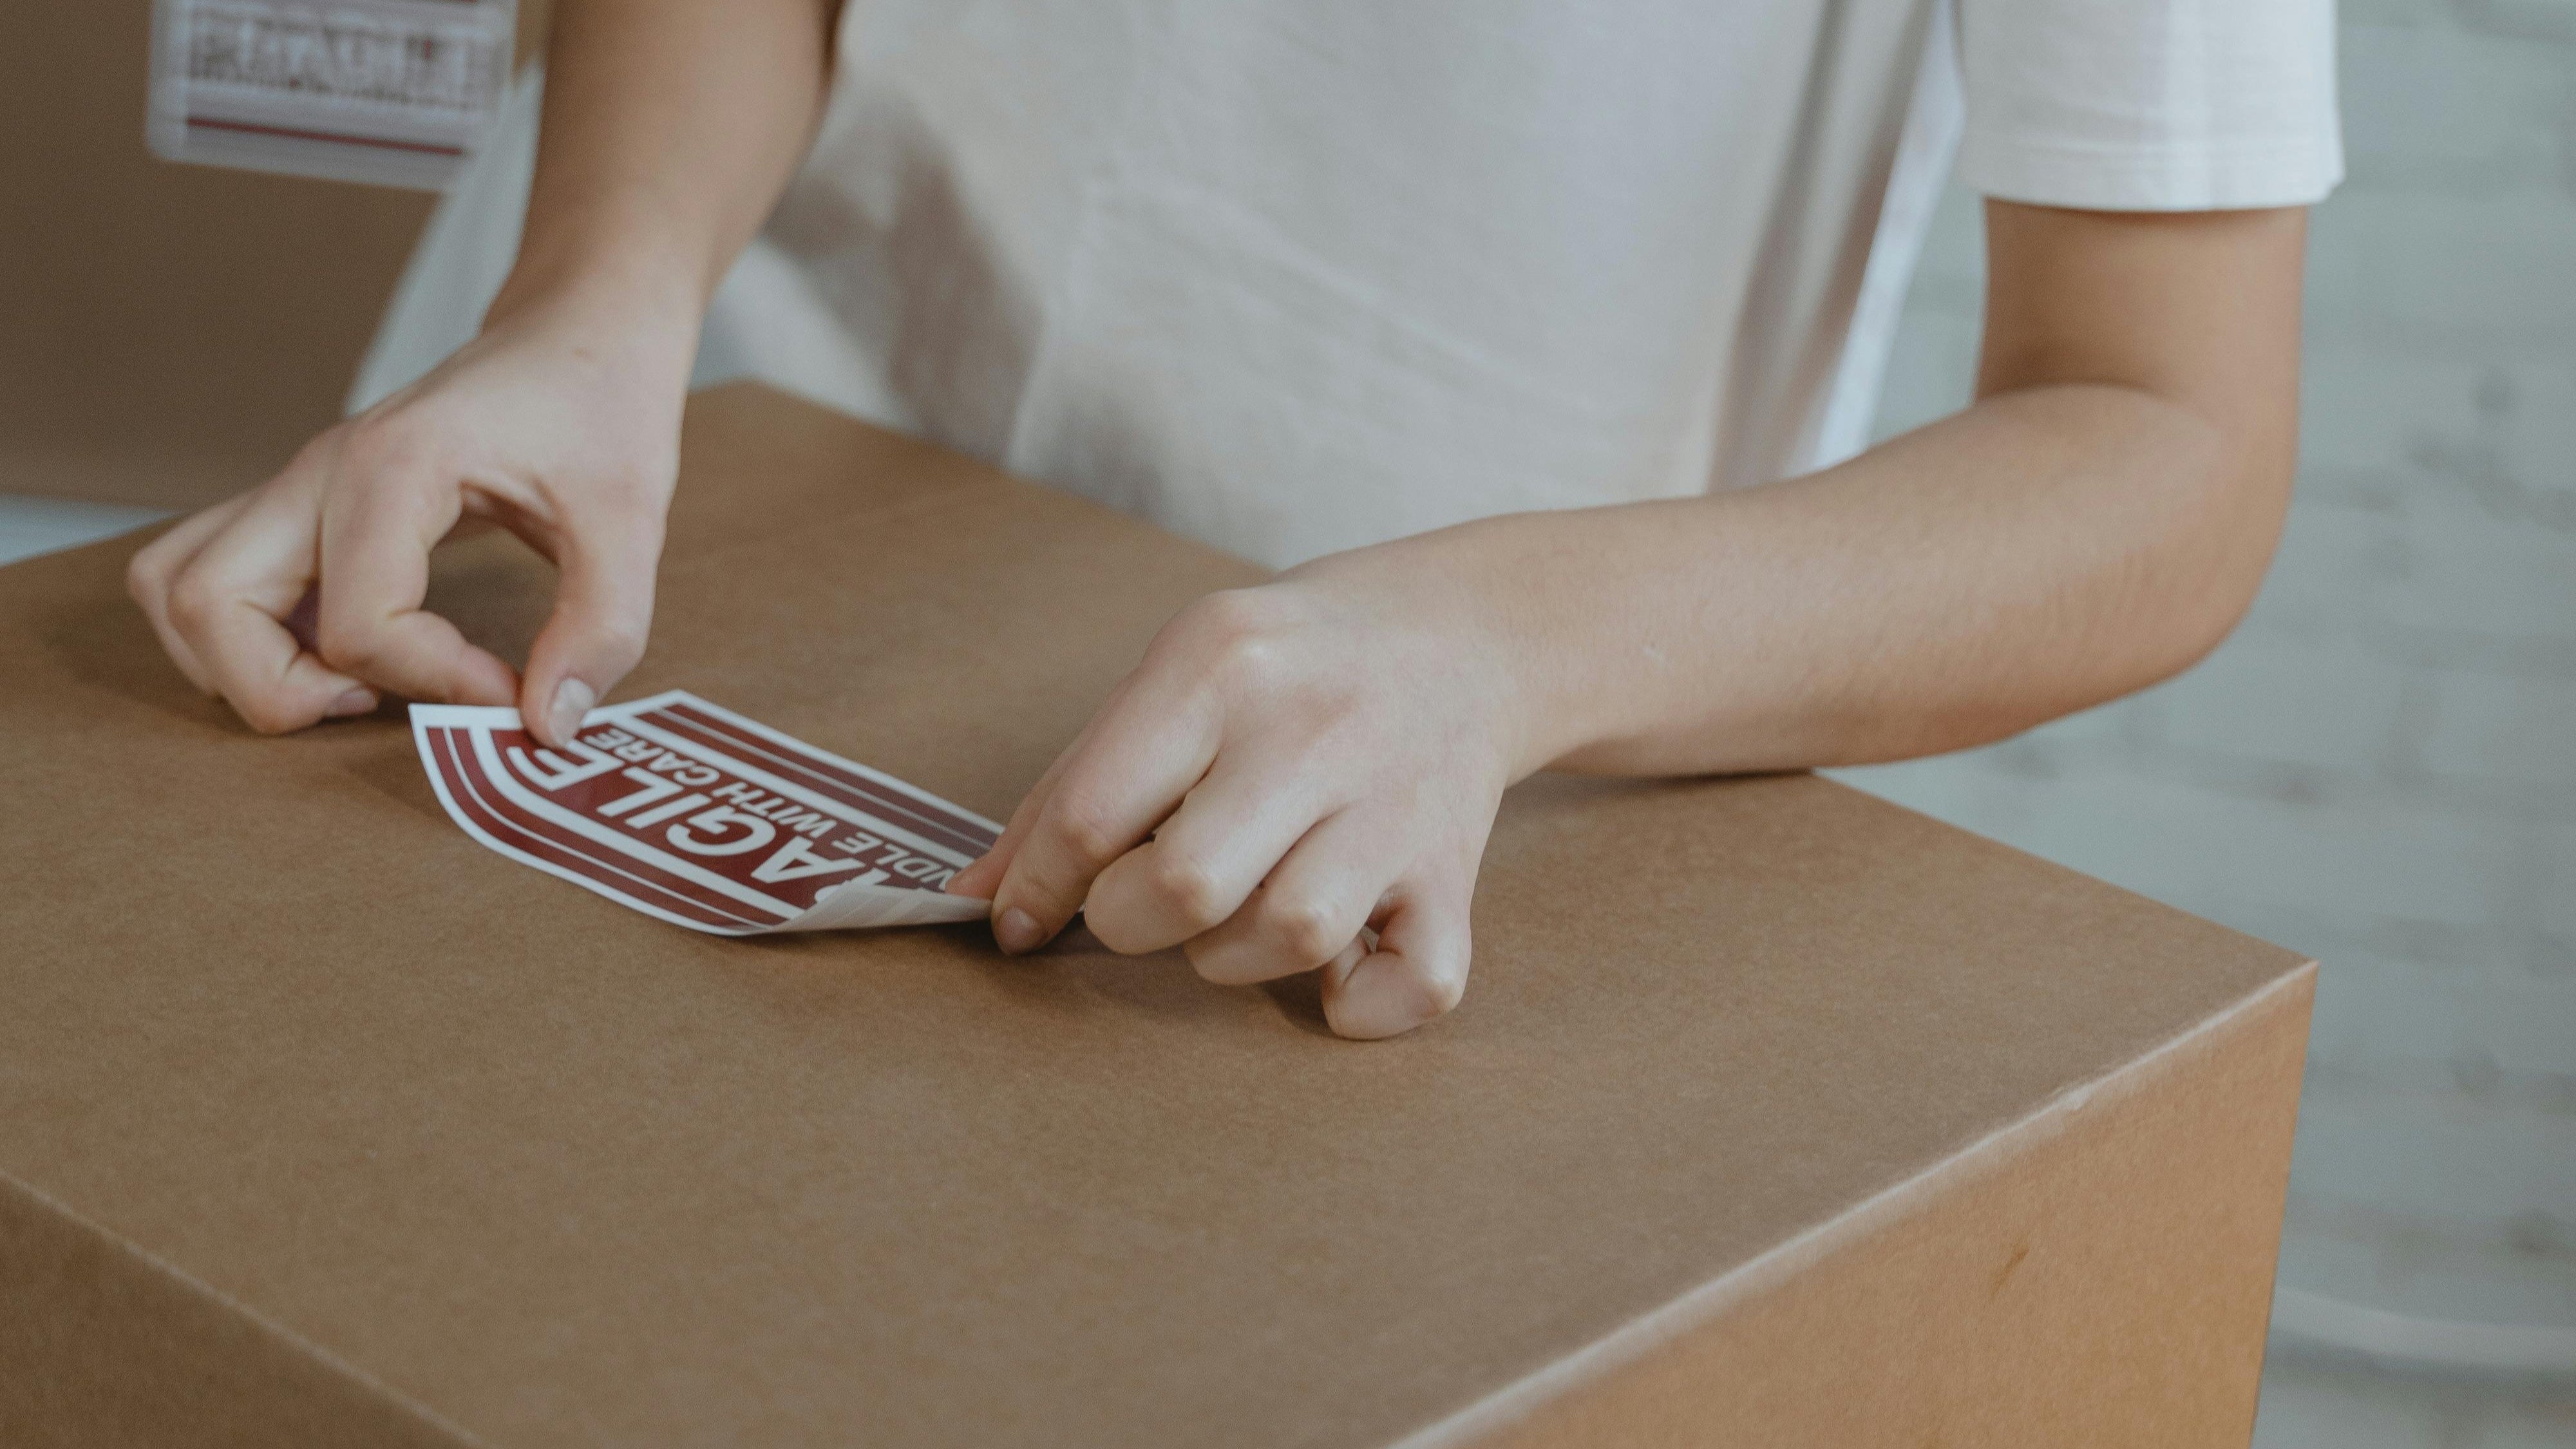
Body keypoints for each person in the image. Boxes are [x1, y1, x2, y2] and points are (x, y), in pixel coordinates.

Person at [127, 0, 2342, 1038]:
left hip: (1362, 824)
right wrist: (593, 294)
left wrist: (1513, 645)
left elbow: (2163, 430)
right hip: (664, 529)